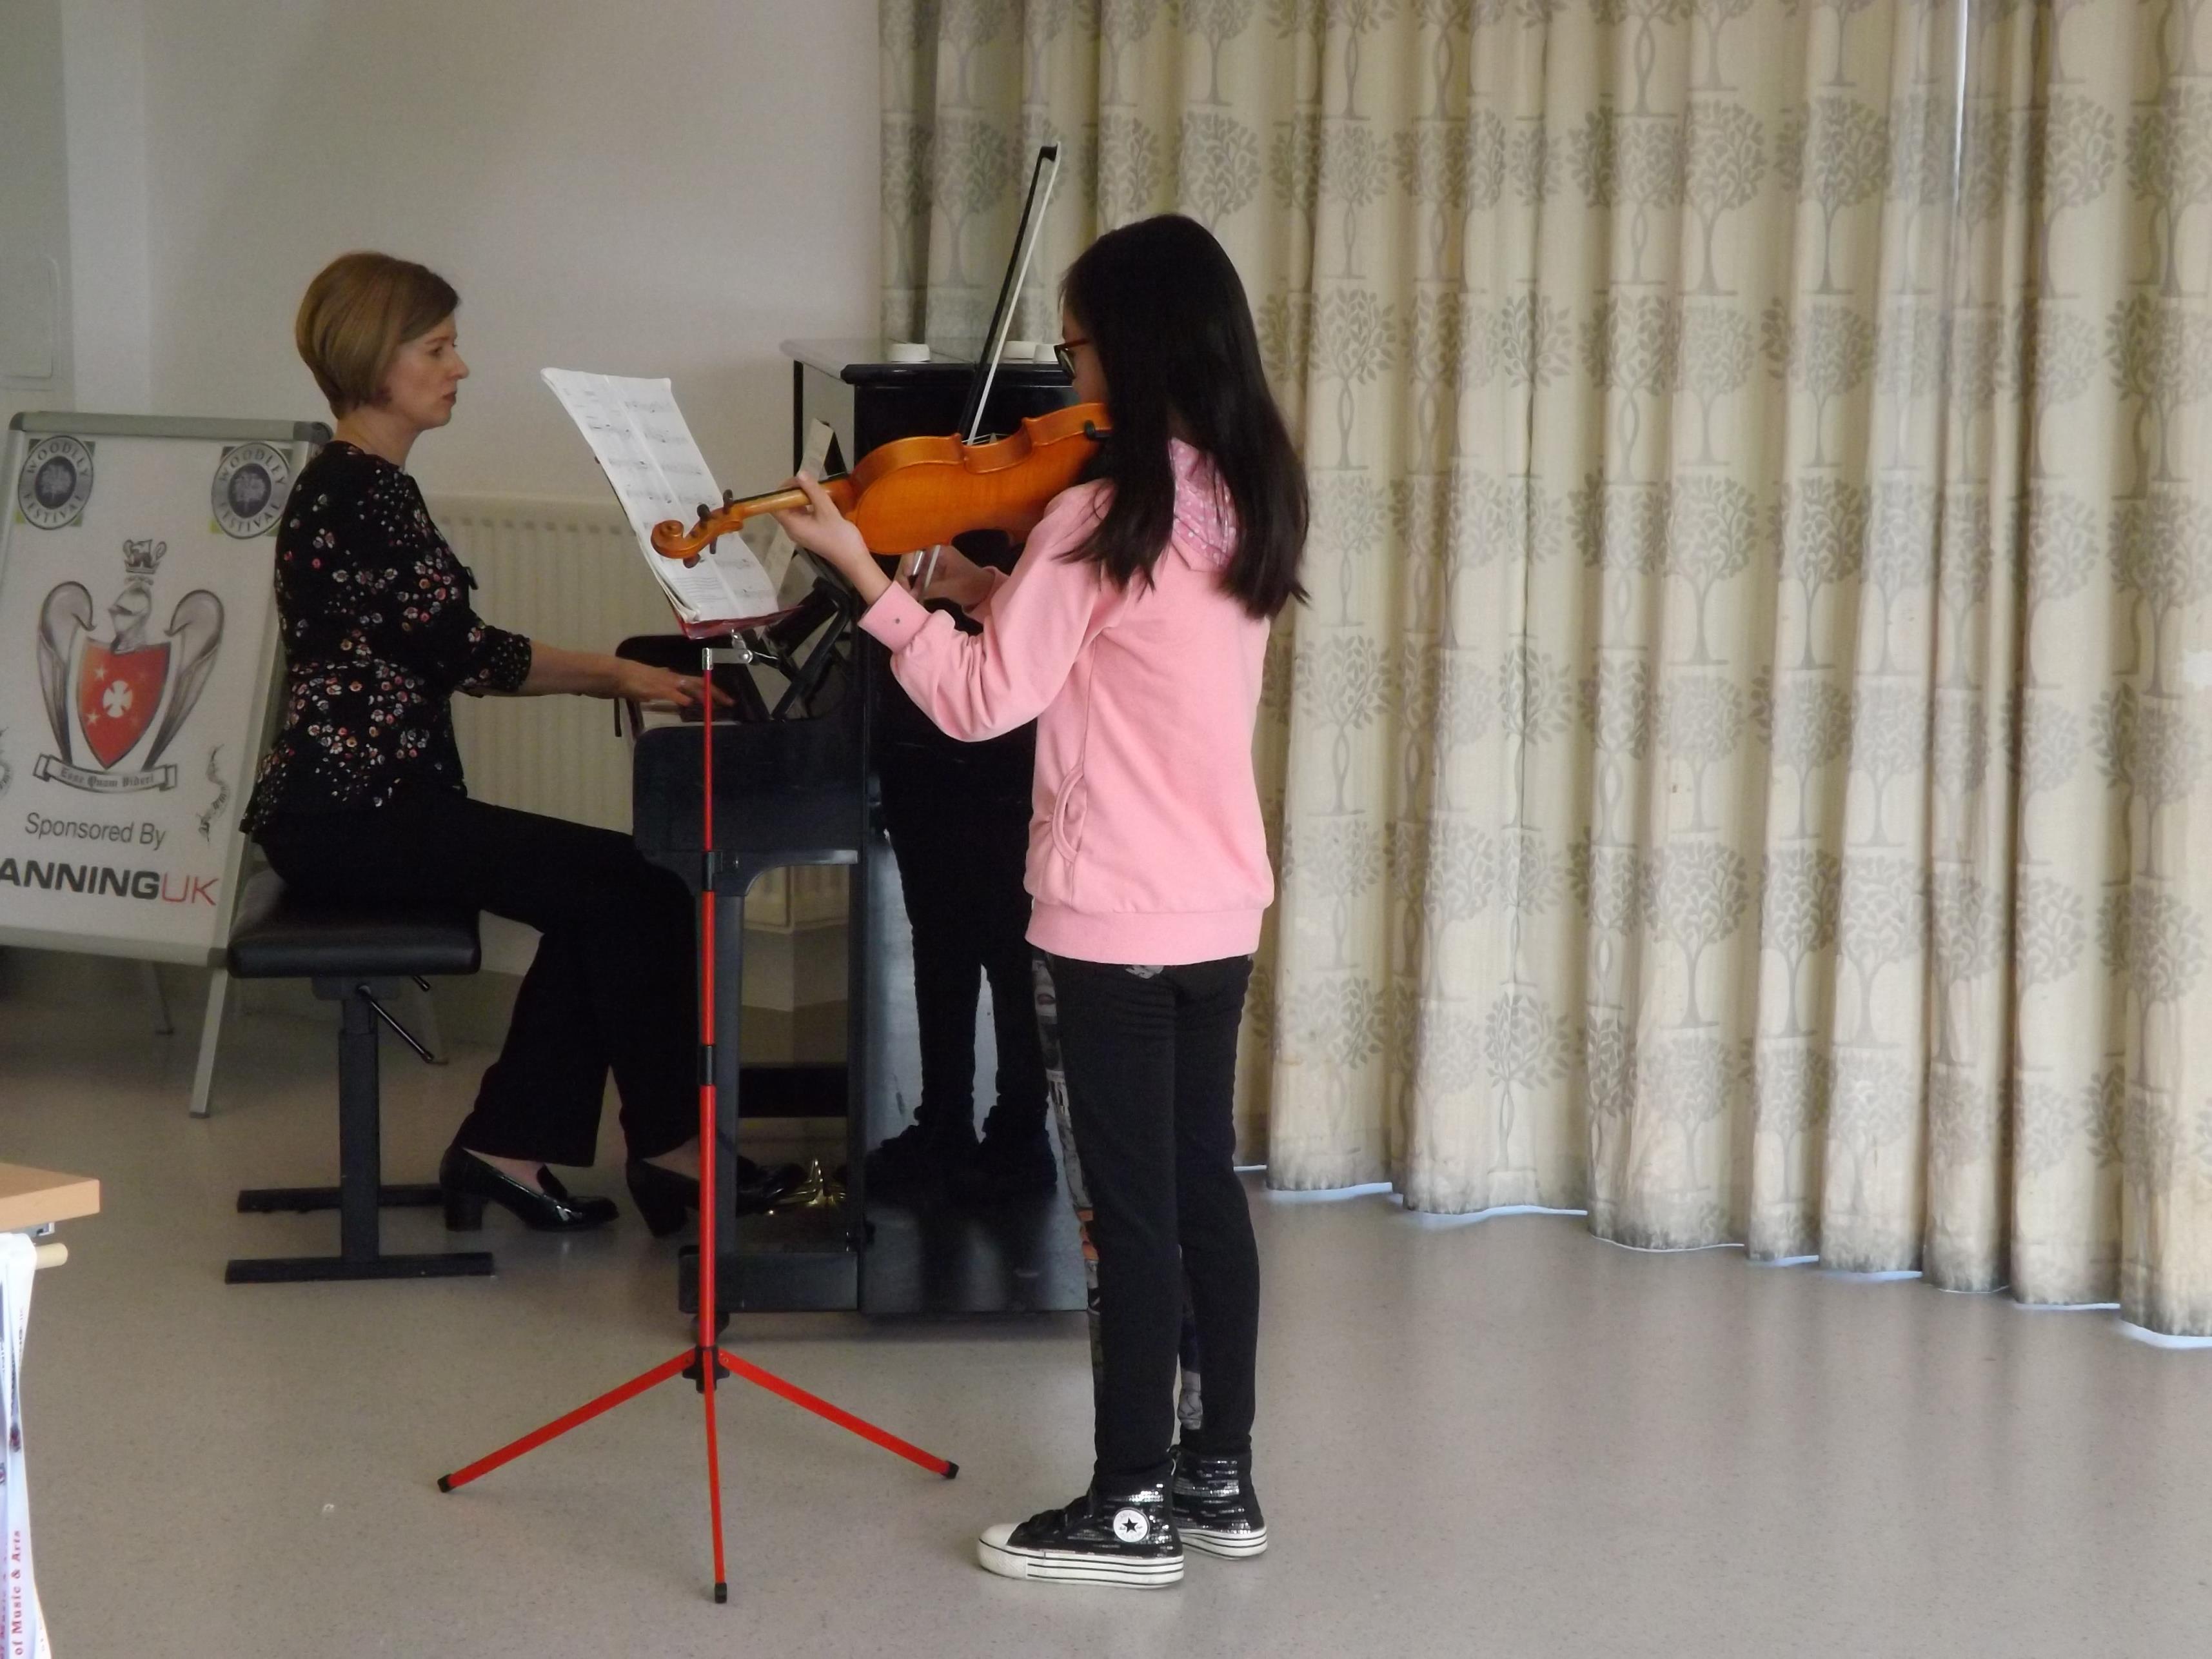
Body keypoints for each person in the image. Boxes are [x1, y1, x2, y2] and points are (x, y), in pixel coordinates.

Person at [773, 214, 1305, 1589]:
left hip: (1111, 919)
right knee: (1200, 1191)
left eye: (1073, 347)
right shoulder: (1236, 494)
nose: (1066, 377)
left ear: (1127, 344)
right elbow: (1127, 648)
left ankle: (1125, 1507)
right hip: (1213, 907)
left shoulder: (1094, 512)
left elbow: (976, 701)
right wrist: (981, 584)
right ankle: (1218, 1476)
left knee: (1122, 1215)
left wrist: (866, 579)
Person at [242, 251, 800, 1239]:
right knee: (634, 887)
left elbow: (446, 649)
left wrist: (619, 673)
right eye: (436, 348)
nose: (459, 368)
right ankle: (661, 1153)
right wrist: (620, 675)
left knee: (615, 889)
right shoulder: (363, 493)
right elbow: (470, 654)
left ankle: (516, 1146)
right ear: (374, 359)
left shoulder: (355, 484)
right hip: (352, 816)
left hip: (366, 806)